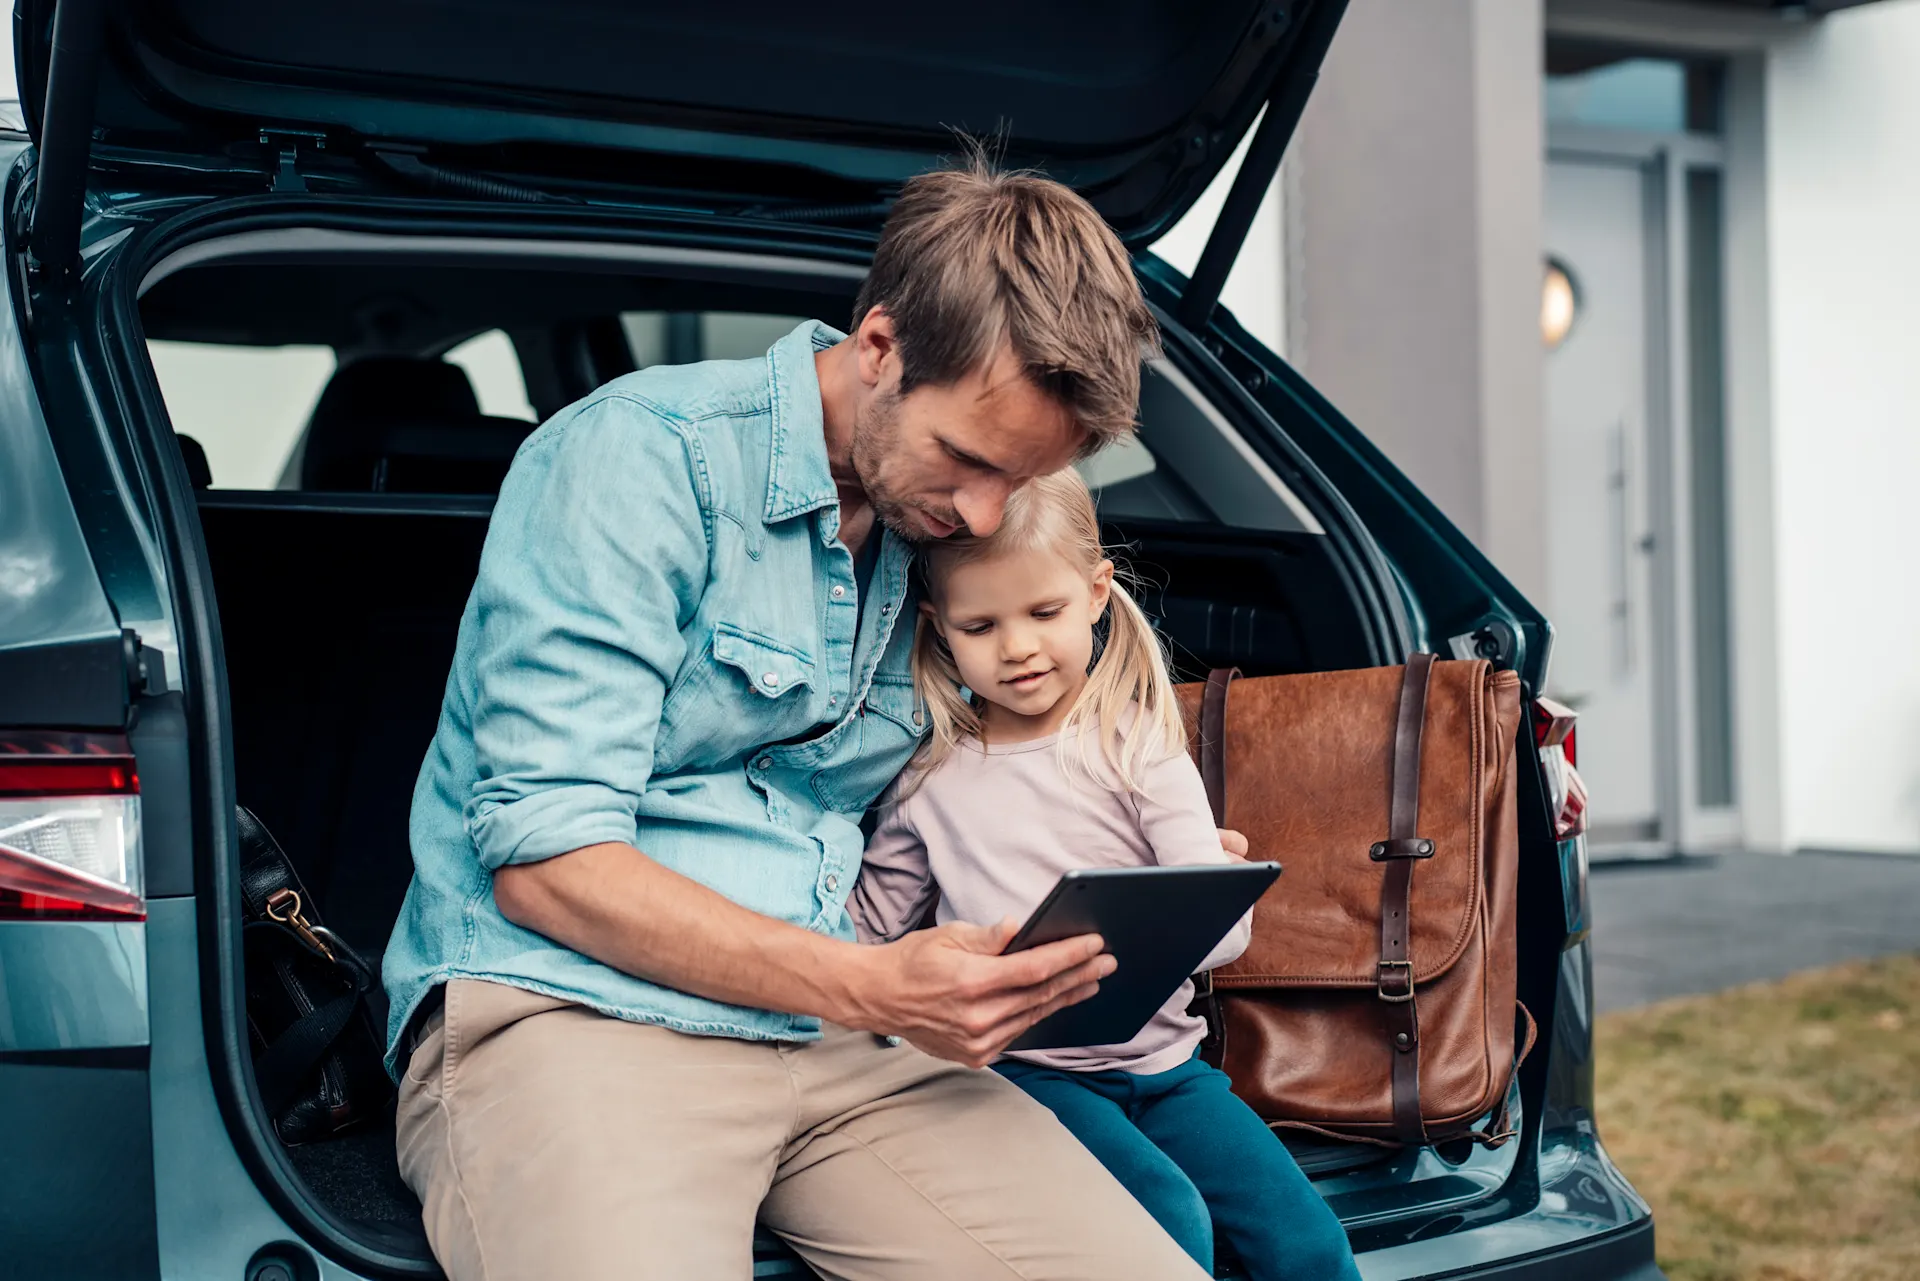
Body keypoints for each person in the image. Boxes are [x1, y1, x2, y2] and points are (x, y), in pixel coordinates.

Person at [381, 158, 1225, 1281]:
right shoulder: (637, 457)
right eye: (968, 459)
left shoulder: (940, 526)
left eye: (1013, 482)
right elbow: (546, 858)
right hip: (572, 1016)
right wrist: (874, 985)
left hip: (843, 1038)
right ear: (878, 347)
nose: (976, 516)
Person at [851, 470, 1362, 1281]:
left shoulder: (1139, 747)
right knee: (1169, 1223)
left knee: (1306, 1242)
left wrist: (1194, 893)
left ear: (1095, 594)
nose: (1016, 646)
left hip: (1168, 1067)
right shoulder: (929, 780)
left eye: (1043, 613)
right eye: (980, 625)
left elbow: (1222, 932)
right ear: (938, 627)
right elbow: (867, 937)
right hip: (1023, 1075)